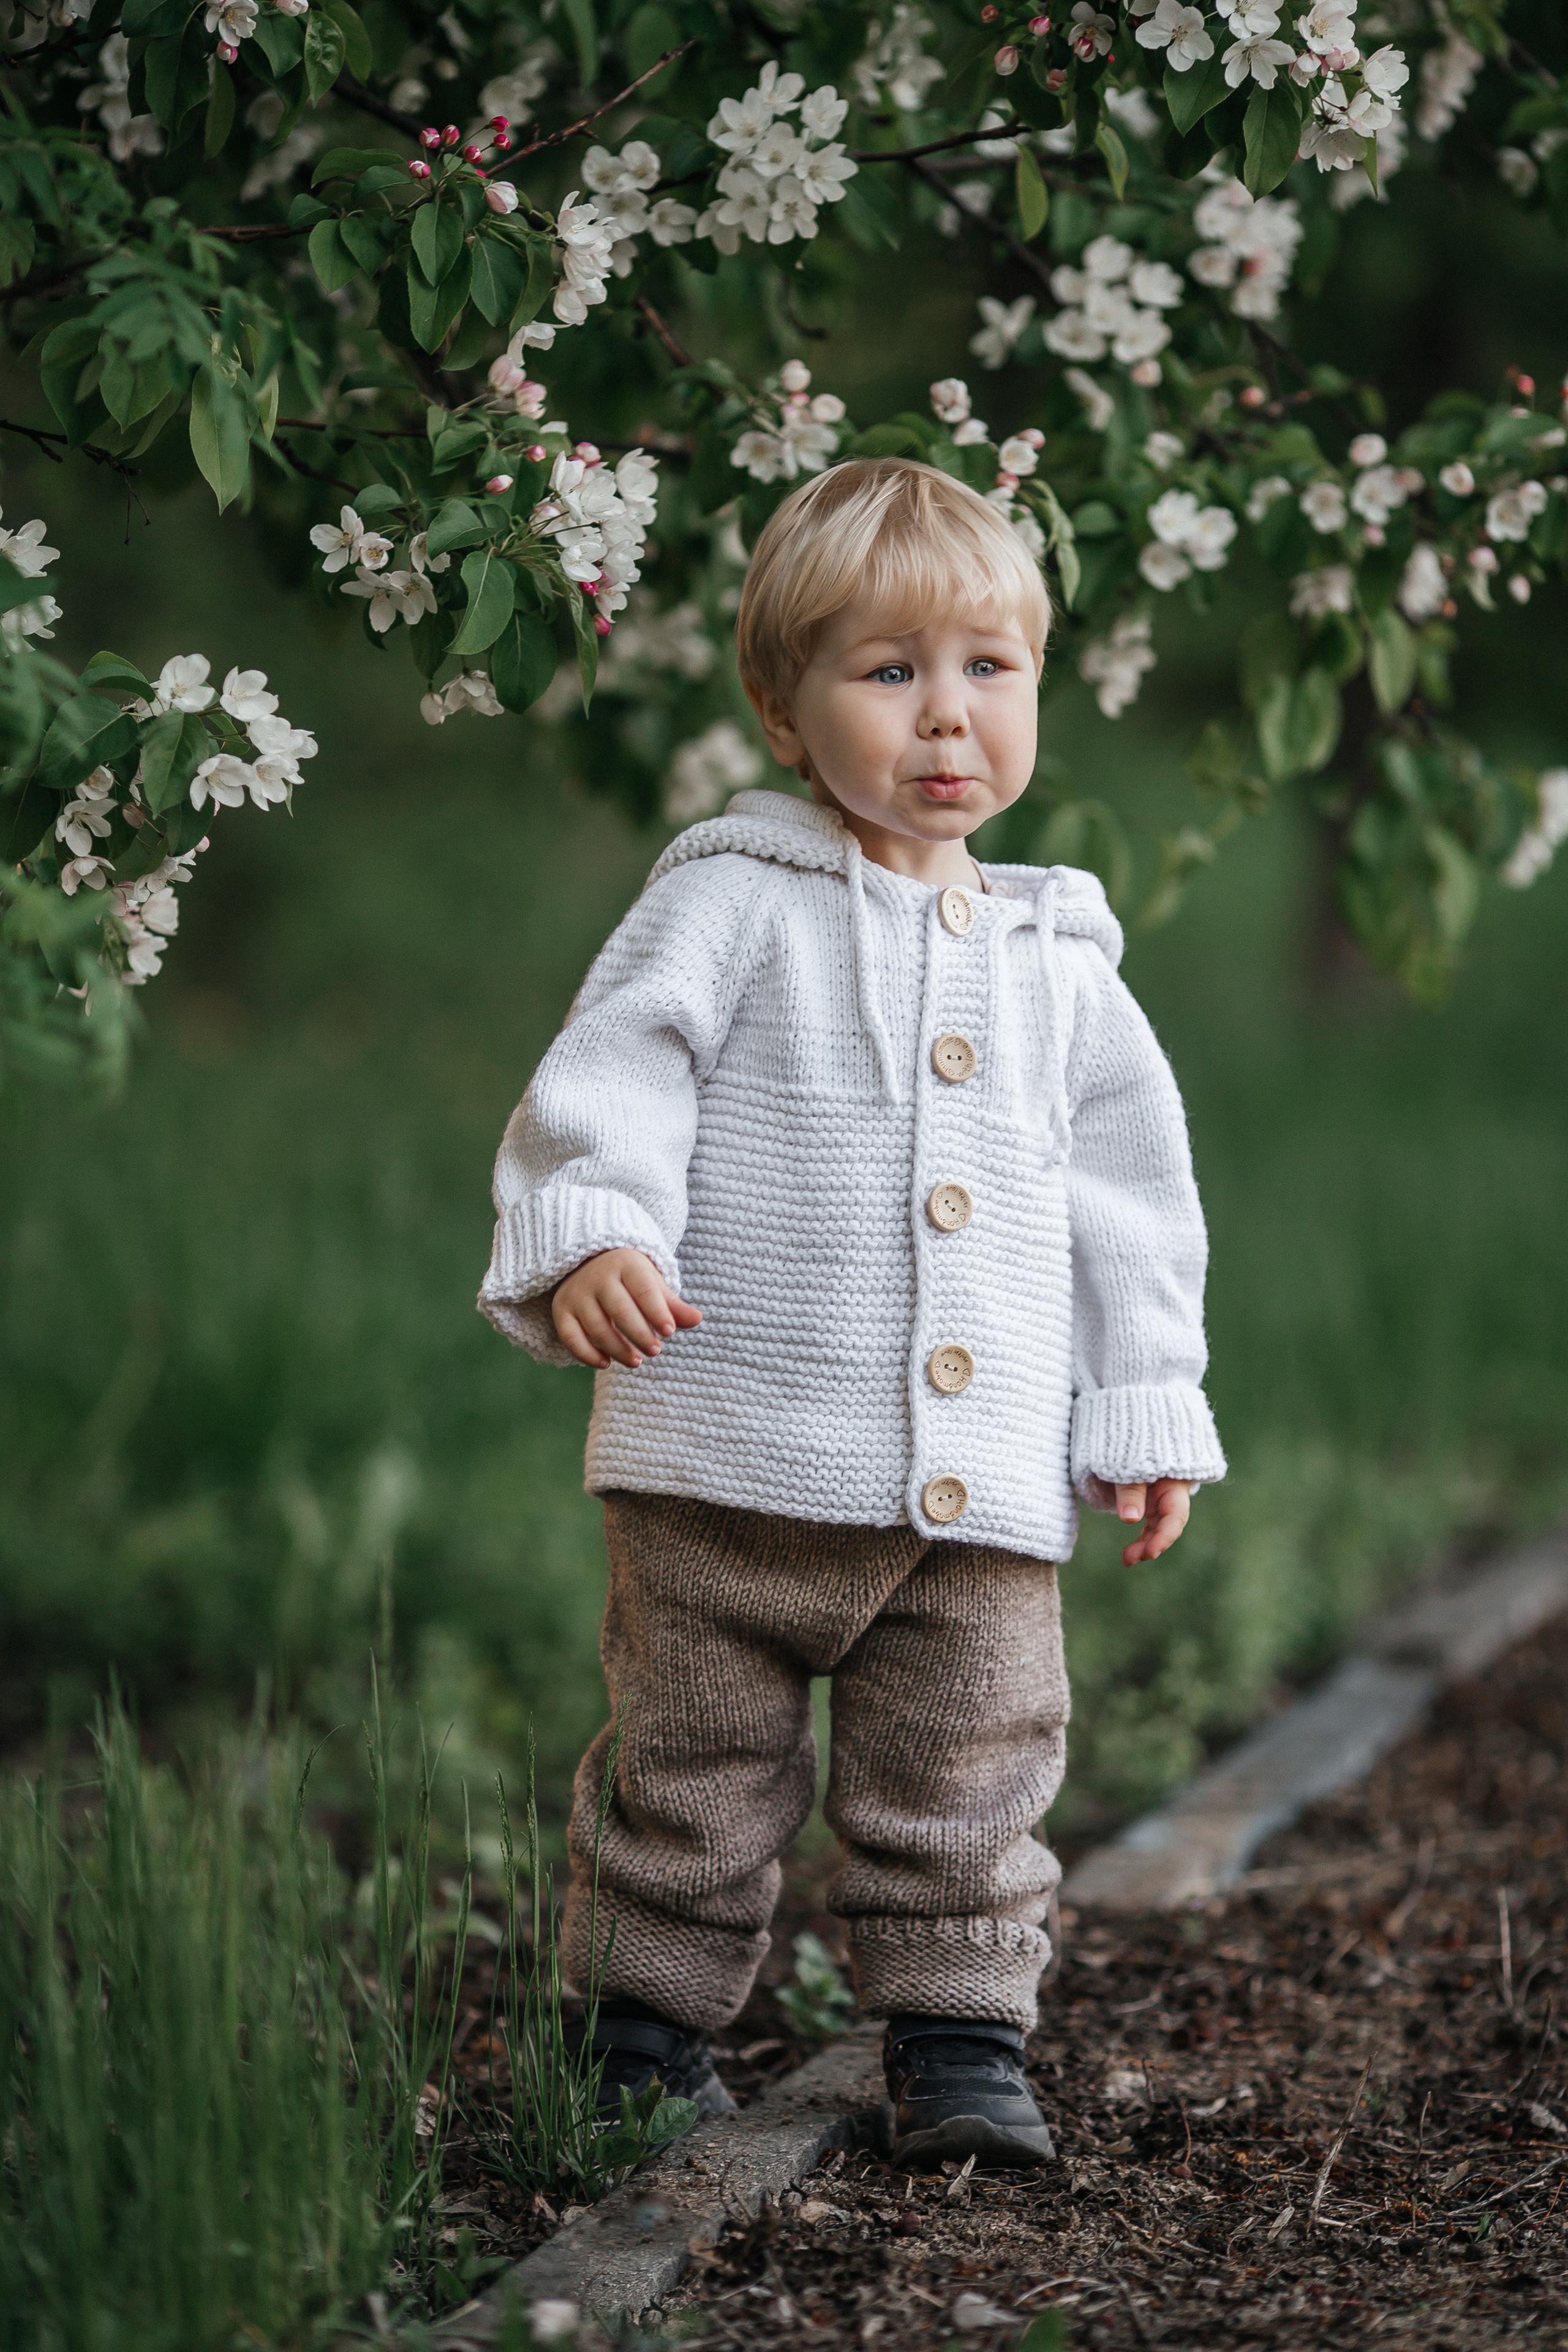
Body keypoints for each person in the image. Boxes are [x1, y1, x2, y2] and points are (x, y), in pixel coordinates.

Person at [478, 456, 1225, 2167]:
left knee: (972, 1767)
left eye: (989, 669)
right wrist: (594, 1230)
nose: (946, 716)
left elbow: (1131, 1211)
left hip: (979, 1495)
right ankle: (641, 2031)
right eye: (891, 672)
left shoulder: (1061, 965)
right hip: (726, 1456)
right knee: (690, 1763)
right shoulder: (731, 899)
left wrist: (1142, 1400)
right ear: (784, 705)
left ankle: (959, 2044)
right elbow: (616, 1077)